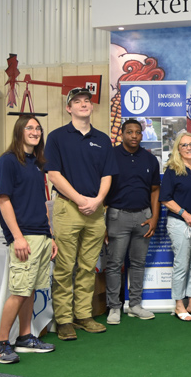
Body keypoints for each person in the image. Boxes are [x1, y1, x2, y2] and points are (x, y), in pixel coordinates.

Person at [46, 87, 118, 341]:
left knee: (89, 266)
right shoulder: (56, 137)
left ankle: (83, 315)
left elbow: (107, 174)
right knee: (65, 266)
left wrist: (98, 200)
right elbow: (53, 173)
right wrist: (79, 200)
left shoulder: (102, 138)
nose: (83, 104)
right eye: (77, 101)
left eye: (86, 101)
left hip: (96, 211)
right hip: (68, 207)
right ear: (69, 108)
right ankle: (64, 319)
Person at [0, 116, 57, 364]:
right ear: (19, 131)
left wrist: (49, 236)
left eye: (38, 128)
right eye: (29, 127)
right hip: (24, 237)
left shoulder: (38, 164)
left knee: (30, 289)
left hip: (40, 234)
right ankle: (1, 343)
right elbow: (4, 201)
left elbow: (41, 202)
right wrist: (17, 237)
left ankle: (25, 337)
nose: (35, 131)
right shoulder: (8, 161)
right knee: (19, 291)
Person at [104, 119, 161, 325]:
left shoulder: (149, 159)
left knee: (138, 263)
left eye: (138, 132)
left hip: (143, 217)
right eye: (130, 132)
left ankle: (135, 305)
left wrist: (154, 216)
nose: (134, 136)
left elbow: (155, 190)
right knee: (114, 264)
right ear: (122, 134)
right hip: (117, 216)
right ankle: (114, 307)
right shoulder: (110, 156)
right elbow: (102, 188)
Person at [160, 132, 191, 322]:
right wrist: (186, 215)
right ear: (178, 150)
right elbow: (165, 198)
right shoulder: (172, 170)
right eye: (184, 145)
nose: (189, 148)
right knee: (181, 264)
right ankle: (179, 304)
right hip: (179, 222)